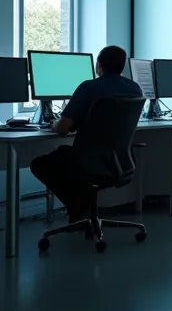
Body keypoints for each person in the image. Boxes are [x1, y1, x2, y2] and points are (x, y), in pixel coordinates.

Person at [29, 45, 143, 222]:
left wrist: (53, 123)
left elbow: (63, 128)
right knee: (63, 154)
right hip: (120, 162)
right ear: (122, 66)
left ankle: (78, 206)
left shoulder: (89, 88)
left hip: (89, 163)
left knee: (40, 163)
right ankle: (82, 206)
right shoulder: (135, 89)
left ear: (99, 66)